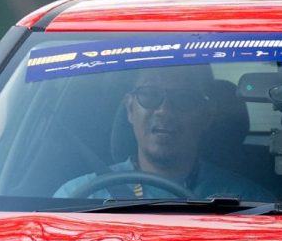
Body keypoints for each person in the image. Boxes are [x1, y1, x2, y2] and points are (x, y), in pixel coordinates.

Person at [59, 71, 266, 200]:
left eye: (184, 98)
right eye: (150, 95)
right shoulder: (80, 194)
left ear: (207, 115)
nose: (164, 110)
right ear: (130, 109)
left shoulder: (247, 200)